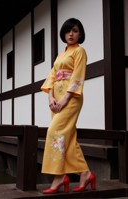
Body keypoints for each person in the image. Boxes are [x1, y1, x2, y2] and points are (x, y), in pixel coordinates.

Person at [40, 18, 96, 194]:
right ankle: (85, 174)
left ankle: (59, 176)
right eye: (68, 31)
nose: (71, 34)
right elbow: (51, 76)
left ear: (80, 34)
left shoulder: (80, 51)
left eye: (75, 31)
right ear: (63, 34)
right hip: (56, 99)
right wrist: (50, 97)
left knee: (54, 132)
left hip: (71, 98)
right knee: (68, 137)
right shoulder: (60, 55)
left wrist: (65, 99)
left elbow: (77, 76)